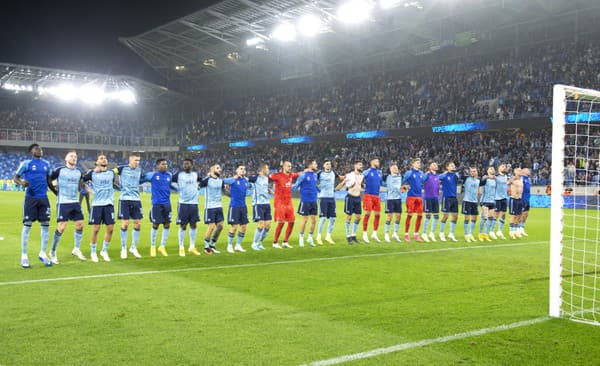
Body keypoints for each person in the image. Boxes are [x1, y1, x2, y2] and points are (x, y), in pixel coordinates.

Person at [14, 143, 56, 268]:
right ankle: (24, 256)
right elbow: (15, 177)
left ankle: (43, 253)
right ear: (31, 151)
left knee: (46, 226)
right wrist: (21, 182)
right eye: (36, 148)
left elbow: (49, 181)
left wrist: (55, 192)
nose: (39, 150)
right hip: (30, 198)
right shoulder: (26, 163)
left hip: (43, 199)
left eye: (41, 148)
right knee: (27, 226)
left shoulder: (46, 164)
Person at [49, 151, 86, 264]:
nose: (74, 158)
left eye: (75, 156)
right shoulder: (60, 170)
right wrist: (55, 191)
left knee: (80, 225)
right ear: (66, 158)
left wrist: (88, 190)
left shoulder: (78, 172)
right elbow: (49, 179)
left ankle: (76, 248)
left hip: (75, 202)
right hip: (63, 202)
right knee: (62, 227)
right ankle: (52, 252)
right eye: (71, 156)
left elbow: (82, 184)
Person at [83, 154, 119, 262]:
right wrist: (89, 190)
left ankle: (104, 251)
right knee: (96, 229)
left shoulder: (112, 173)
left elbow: (120, 169)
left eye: (105, 158)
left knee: (110, 229)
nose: (104, 159)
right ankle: (93, 252)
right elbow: (81, 181)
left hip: (109, 204)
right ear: (97, 162)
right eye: (101, 158)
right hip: (97, 204)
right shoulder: (91, 173)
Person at [114, 153, 144, 259]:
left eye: (139, 160)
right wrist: (115, 185)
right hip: (124, 199)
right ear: (130, 160)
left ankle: (133, 247)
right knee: (125, 224)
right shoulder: (122, 169)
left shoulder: (139, 170)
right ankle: (123, 248)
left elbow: (142, 179)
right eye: (136, 160)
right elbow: (111, 173)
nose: (137, 162)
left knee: (138, 224)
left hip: (136, 199)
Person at [172, 158, 202, 256]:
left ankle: (192, 247)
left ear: (191, 165)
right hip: (183, 203)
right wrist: (175, 188)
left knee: (193, 224)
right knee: (183, 225)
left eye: (187, 164)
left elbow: (203, 181)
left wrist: (199, 186)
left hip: (194, 203)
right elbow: (168, 180)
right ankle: (181, 247)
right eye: (184, 164)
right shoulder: (179, 175)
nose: (185, 165)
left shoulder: (195, 175)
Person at [269, 161, 300, 248]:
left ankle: (285, 242)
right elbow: (265, 178)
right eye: (288, 166)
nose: (290, 168)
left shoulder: (291, 175)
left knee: (292, 222)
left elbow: (298, 174)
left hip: (289, 203)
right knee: (281, 222)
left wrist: (307, 170)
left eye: (290, 166)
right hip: (280, 203)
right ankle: (275, 242)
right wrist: (267, 189)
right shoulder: (277, 175)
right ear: (284, 167)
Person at [146, 158, 173, 257]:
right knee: (156, 224)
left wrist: (178, 189)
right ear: (158, 166)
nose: (165, 165)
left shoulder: (169, 175)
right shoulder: (152, 175)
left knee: (167, 224)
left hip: (167, 203)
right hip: (156, 203)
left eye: (166, 164)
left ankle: (162, 246)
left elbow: (170, 186)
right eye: (163, 164)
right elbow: (141, 179)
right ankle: (152, 246)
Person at [223, 164, 250, 253]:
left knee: (244, 227)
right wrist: (229, 183)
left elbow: (251, 185)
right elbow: (223, 181)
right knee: (234, 227)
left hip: (243, 206)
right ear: (237, 170)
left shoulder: (245, 181)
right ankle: (229, 246)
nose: (243, 170)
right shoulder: (232, 180)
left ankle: (238, 245)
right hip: (234, 206)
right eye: (241, 169)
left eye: (244, 169)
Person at [292, 159, 319, 247]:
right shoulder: (303, 175)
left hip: (314, 200)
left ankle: (310, 238)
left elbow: (315, 186)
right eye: (315, 164)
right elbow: (295, 186)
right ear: (310, 165)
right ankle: (301, 238)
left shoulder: (315, 175)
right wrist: (288, 189)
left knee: (314, 220)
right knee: (305, 220)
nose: (316, 165)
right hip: (305, 200)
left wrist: (321, 191)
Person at [199, 163, 225, 254]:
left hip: (219, 206)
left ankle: (212, 244)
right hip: (210, 207)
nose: (220, 169)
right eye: (218, 168)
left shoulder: (221, 181)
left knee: (220, 226)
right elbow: (198, 186)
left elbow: (224, 192)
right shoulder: (207, 180)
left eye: (220, 168)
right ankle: (206, 247)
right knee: (211, 226)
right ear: (212, 170)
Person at [336, 161, 364, 244]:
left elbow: (361, 185)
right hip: (350, 197)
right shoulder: (349, 175)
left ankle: (353, 235)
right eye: (360, 165)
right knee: (349, 217)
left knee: (358, 217)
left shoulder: (362, 176)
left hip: (358, 197)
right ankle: (348, 236)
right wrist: (336, 189)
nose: (361, 166)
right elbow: (343, 183)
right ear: (355, 166)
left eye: (362, 165)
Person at [315, 159, 340, 245]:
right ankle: (318, 237)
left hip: (332, 198)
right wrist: (318, 190)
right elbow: (313, 182)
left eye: (329, 164)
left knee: (333, 218)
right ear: (323, 165)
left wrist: (346, 178)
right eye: (327, 164)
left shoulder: (334, 173)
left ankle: (328, 236)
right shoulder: (319, 173)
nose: (329, 165)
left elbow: (340, 178)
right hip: (323, 198)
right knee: (323, 218)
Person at [249, 163, 272, 251]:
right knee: (261, 225)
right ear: (263, 169)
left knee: (268, 226)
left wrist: (268, 190)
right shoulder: (255, 178)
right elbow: (248, 179)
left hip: (267, 203)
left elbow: (264, 187)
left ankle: (259, 242)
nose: (268, 170)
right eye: (267, 168)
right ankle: (254, 243)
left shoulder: (266, 179)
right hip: (258, 204)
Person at [402, 158, 424, 242]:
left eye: (419, 163)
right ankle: (406, 234)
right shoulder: (409, 173)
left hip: (419, 197)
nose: (419, 164)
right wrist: (404, 189)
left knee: (420, 215)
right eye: (417, 163)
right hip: (411, 197)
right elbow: (401, 182)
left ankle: (416, 234)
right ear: (413, 164)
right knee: (410, 215)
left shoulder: (421, 173)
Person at [361, 157, 383, 243]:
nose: (378, 162)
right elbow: (360, 180)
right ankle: (365, 234)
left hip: (377, 196)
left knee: (378, 215)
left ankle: (374, 233)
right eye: (377, 161)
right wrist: (363, 185)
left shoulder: (379, 172)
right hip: (368, 196)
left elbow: (380, 182)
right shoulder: (366, 172)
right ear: (372, 162)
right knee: (367, 214)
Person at [439, 162, 459, 242]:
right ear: (447, 167)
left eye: (454, 165)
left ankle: (451, 233)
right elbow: (438, 177)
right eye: (451, 165)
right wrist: (445, 173)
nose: (453, 166)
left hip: (454, 197)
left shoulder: (455, 175)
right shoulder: (444, 175)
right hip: (446, 197)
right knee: (445, 216)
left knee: (455, 216)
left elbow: (459, 179)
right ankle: (441, 233)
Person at [383, 163, 403, 243]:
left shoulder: (400, 177)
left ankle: (395, 233)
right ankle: (386, 234)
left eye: (397, 168)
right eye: (394, 168)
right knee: (389, 217)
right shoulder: (387, 177)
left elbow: (401, 188)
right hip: (390, 199)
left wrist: (404, 189)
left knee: (398, 216)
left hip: (398, 199)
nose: (396, 169)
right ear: (390, 169)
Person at [421, 161, 440, 242]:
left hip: (436, 198)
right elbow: (421, 180)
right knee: (428, 215)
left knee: (436, 216)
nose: (435, 165)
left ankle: (431, 233)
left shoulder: (438, 176)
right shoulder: (427, 175)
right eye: (433, 165)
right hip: (428, 198)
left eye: (436, 164)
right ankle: (424, 233)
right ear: (429, 167)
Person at [490, 163, 509, 239]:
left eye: (505, 166)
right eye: (502, 166)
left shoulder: (506, 177)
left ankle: (499, 231)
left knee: (504, 215)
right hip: (497, 198)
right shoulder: (496, 177)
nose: (504, 168)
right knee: (496, 215)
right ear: (499, 169)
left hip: (504, 198)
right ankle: (492, 231)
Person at [478, 166, 496, 242]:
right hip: (485, 201)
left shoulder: (495, 180)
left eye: (493, 168)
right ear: (487, 171)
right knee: (484, 218)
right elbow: (479, 184)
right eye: (490, 168)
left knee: (491, 218)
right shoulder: (485, 178)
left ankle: (486, 234)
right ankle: (480, 234)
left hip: (492, 201)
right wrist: (483, 179)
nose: (492, 169)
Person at [462, 167, 480, 242]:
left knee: (474, 218)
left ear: (477, 172)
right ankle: (466, 234)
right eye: (471, 171)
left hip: (474, 202)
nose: (473, 172)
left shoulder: (478, 180)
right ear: (469, 172)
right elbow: (461, 176)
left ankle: (470, 234)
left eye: (474, 171)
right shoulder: (466, 179)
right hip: (467, 201)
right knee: (467, 218)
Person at [508, 168, 524, 239]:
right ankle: (511, 231)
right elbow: (507, 183)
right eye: (519, 171)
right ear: (515, 172)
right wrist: (512, 179)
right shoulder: (513, 179)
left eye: (521, 171)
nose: (520, 172)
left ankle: (515, 231)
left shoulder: (521, 180)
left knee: (518, 216)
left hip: (520, 199)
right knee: (513, 216)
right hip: (513, 199)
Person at [519, 168, 531, 237]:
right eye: (527, 170)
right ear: (524, 172)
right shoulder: (522, 178)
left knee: (526, 214)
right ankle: (517, 228)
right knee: (521, 214)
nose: (529, 171)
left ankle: (522, 228)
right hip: (522, 199)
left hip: (527, 199)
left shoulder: (528, 179)